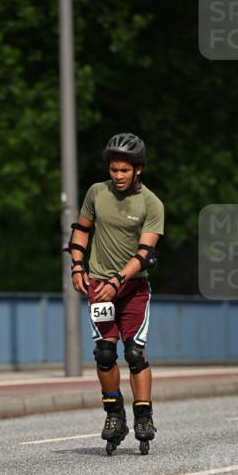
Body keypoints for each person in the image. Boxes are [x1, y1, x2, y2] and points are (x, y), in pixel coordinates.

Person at [64, 133, 165, 453]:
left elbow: (145, 253)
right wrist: (77, 268)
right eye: (114, 170)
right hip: (98, 285)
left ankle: (143, 415)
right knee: (104, 353)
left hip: (132, 289)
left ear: (139, 169)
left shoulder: (151, 203)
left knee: (134, 352)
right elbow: (81, 231)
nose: (118, 176)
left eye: (124, 170)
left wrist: (117, 281)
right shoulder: (96, 193)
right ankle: (113, 414)